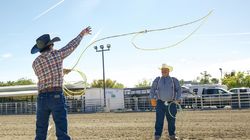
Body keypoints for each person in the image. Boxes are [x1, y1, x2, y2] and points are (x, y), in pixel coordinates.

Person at [31, 26, 92, 140]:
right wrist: (82, 34)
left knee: (41, 131)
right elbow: (71, 46)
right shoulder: (57, 54)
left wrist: (61, 72)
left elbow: (45, 75)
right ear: (50, 45)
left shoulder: (35, 63)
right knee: (61, 131)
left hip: (42, 97)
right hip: (56, 96)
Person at [150, 64, 182, 140]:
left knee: (171, 120)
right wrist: (152, 98)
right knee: (159, 120)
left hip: (171, 103)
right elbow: (152, 89)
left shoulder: (174, 80)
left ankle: (172, 136)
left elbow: (179, 89)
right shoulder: (157, 80)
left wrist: (178, 98)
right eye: (162, 70)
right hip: (160, 103)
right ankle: (157, 136)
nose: (163, 71)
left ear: (168, 71)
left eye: (165, 70)